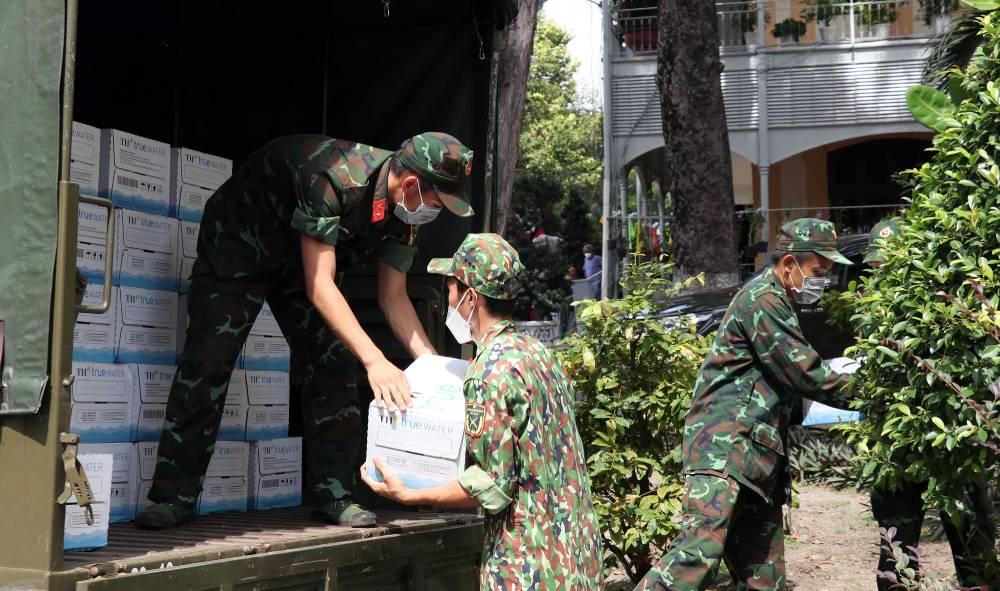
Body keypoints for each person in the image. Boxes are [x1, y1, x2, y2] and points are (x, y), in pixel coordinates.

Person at [136, 132, 476, 530]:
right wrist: (376, 360)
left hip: (303, 263)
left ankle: (334, 495)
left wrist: (435, 373)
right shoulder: (333, 177)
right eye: (438, 201)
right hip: (240, 246)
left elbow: (394, 297)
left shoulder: (404, 212)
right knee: (208, 363)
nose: (436, 212)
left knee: (334, 362)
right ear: (413, 183)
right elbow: (320, 286)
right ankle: (172, 498)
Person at [360, 233, 604, 590]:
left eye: (450, 288)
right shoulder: (539, 354)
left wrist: (411, 494)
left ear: (470, 297)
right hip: (577, 552)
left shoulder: (487, 373)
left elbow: (493, 485)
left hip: (529, 566)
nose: (448, 298)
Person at [635, 219, 856, 591]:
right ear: (789, 265)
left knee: (765, 579)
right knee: (697, 559)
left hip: (754, 463)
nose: (823, 282)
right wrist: (876, 393)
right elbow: (805, 373)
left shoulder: (777, 302)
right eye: (819, 272)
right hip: (725, 451)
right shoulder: (763, 301)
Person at [864, 218, 998, 589]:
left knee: (972, 537)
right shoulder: (874, 307)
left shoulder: (950, 301)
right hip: (899, 444)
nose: (883, 271)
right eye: (878, 263)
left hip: (958, 440)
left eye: (892, 262)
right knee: (897, 546)